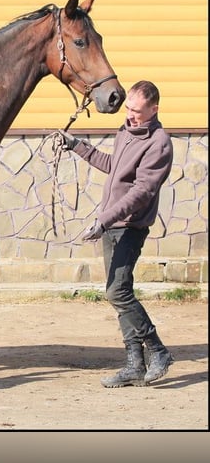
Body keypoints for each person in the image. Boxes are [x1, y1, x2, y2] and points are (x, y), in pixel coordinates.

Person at [57, 80, 174, 388]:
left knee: (117, 292)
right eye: (128, 109)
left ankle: (158, 351)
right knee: (119, 294)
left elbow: (142, 192)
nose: (130, 115)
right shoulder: (125, 131)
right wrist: (77, 145)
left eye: (136, 111)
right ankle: (134, 364)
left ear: (154, 109)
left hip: (130, 227)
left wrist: (105, 220)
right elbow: (113, 165)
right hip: (113, 226)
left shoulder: (159, 142)